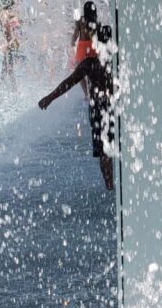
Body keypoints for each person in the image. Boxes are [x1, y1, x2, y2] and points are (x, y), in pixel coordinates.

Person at [39, 24, 115, 190]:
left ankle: (109, 185)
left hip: (99, 109)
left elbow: (69, 82)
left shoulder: (90, 63)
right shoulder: (117, 64)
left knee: (103, 150)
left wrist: (50, 98)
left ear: (96, 43)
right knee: (112, 146)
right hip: (113, 107)